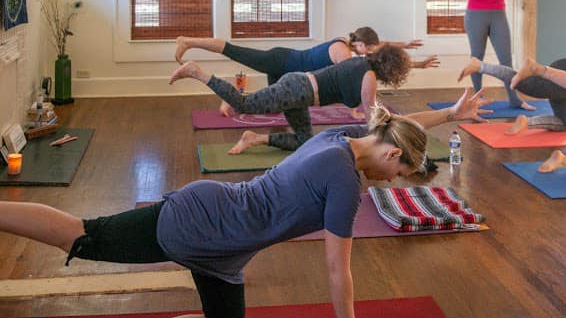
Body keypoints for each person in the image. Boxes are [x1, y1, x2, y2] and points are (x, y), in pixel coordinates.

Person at [0, 88, 492, 318]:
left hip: (225, 250)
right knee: (83, 235)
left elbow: (402, 127)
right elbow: (337, 270)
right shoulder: (344, 182)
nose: (391, 182)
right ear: (392, 154)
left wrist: (449, 113)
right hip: (201, 224)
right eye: (399, 173)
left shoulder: (343, 137)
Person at [171, 44, 411, 153]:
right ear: (391, 69)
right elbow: (371, 115)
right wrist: (383, 143)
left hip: (301, 94)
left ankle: (254, 138)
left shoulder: (363, 63)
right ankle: (197, 72)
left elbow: (371, 112)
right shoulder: (368, 76)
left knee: (304, 141)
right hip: (297, 89)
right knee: (243, 105)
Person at [175, 27, 439, 116]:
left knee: (266, 105)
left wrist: (407, 51)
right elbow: (353, 76)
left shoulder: (348, 45)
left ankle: (229, 98)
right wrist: (356, 110)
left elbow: (379, 53)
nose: (368, 52)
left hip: (292, 73)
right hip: (283, 64)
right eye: (366, 48)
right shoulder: (343, 53)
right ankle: (188, 41)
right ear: (359, 44)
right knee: (233, 50)